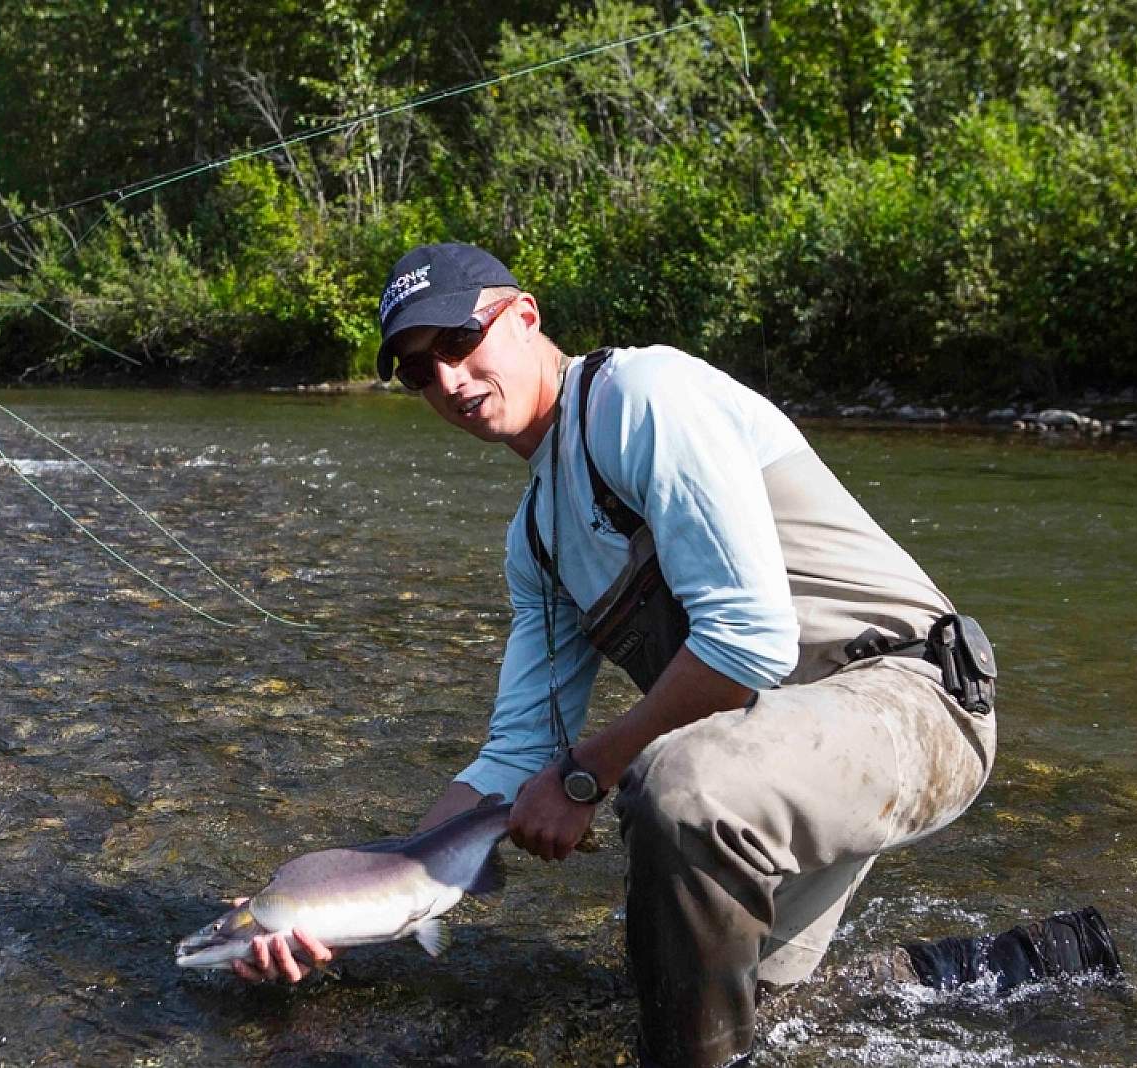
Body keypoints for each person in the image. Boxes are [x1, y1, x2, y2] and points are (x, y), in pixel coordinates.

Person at [241, 243, 1000, 1068]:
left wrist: (585, 776)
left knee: (673, 789)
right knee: (743, 1017)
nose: (449, 381)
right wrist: (340, 901)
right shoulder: (536, 540)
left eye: (460, 343)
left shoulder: (641, 396)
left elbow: (749, 637)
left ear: (525, 316)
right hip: (777, 758)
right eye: (420, 372)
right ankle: (1029, 967)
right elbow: (516, 752)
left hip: (916, 701)